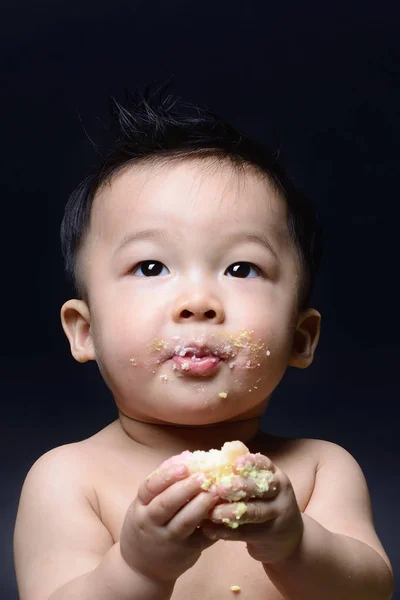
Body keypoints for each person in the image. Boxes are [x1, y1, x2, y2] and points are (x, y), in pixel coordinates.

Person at [14, 88, 394, 600]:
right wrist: (137, 568)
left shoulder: (320, 470)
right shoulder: (68, 478)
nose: (198, 302)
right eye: (151, 267)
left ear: (301, 338)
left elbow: (369, 591)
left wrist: (295, 544)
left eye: (242, 268)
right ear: (85, 331)